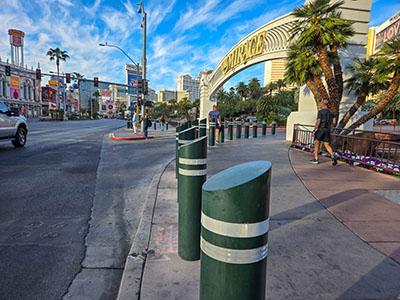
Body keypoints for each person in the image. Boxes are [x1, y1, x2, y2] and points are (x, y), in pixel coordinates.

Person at [310, 100, 338, 165]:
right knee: (327, 145)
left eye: (321, 103)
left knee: (317, 144)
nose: (320, 104)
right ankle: (333, 156)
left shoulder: (320, 112)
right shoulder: (331, 112)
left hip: (321, 129)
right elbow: (334, 122)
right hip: (327, 130)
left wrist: (314, 130)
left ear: (323, 104)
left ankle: (316, 159)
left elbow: (318, 121)